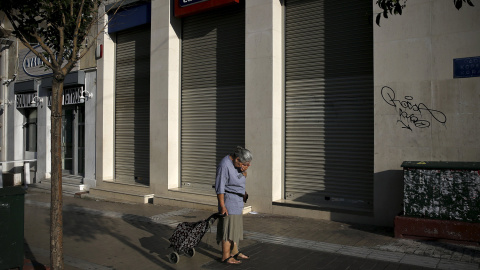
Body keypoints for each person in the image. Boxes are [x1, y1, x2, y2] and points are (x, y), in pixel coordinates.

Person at [215, 146, 252, 265]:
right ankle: (226, 256)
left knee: (234, 229)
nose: (248, 165)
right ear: (237, 159)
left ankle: (234, 252)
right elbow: (220, 187)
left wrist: (243, 171)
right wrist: (222, 206)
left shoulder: (238, 166)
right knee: (228, 229)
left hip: (238, 201)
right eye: (245, 163)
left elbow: (240, 177)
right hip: (229, 202)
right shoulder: (224, 165)